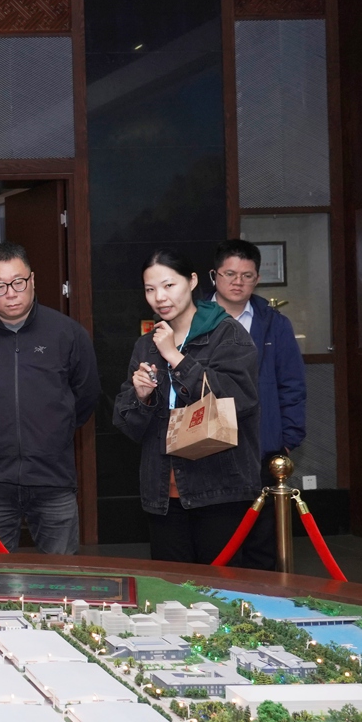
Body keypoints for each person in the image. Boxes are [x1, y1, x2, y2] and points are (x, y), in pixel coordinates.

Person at [0, 243, 100, 554]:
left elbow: (86, 395)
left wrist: (55, 430)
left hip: (52, 477)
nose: (11, 293)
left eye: (18, 282)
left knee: (60, 574)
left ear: (32, 280)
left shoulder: (67, 333)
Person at [113, 248, 260, 563]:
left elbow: (240, 401)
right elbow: (128, 425)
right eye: (150, 289)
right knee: (171, 587)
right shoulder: (146, 344)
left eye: (169, 285)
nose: (159, 297)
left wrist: (175, 357)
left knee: (220, 585)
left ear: (192, 281)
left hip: (219, 488)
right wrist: (141, 396)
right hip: (162, 492)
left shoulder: (226, 332)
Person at [211, 238, 306, 570]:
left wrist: (287, 440)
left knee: (261, 542)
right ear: (214, 276)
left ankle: (262, 598)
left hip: (262, 447)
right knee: (216, 541)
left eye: (247, 276)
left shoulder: (274, 323)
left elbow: (292, 385)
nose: (238, 282)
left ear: (257, 279)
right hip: (209, 447)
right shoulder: (193, 318)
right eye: (230, 274)